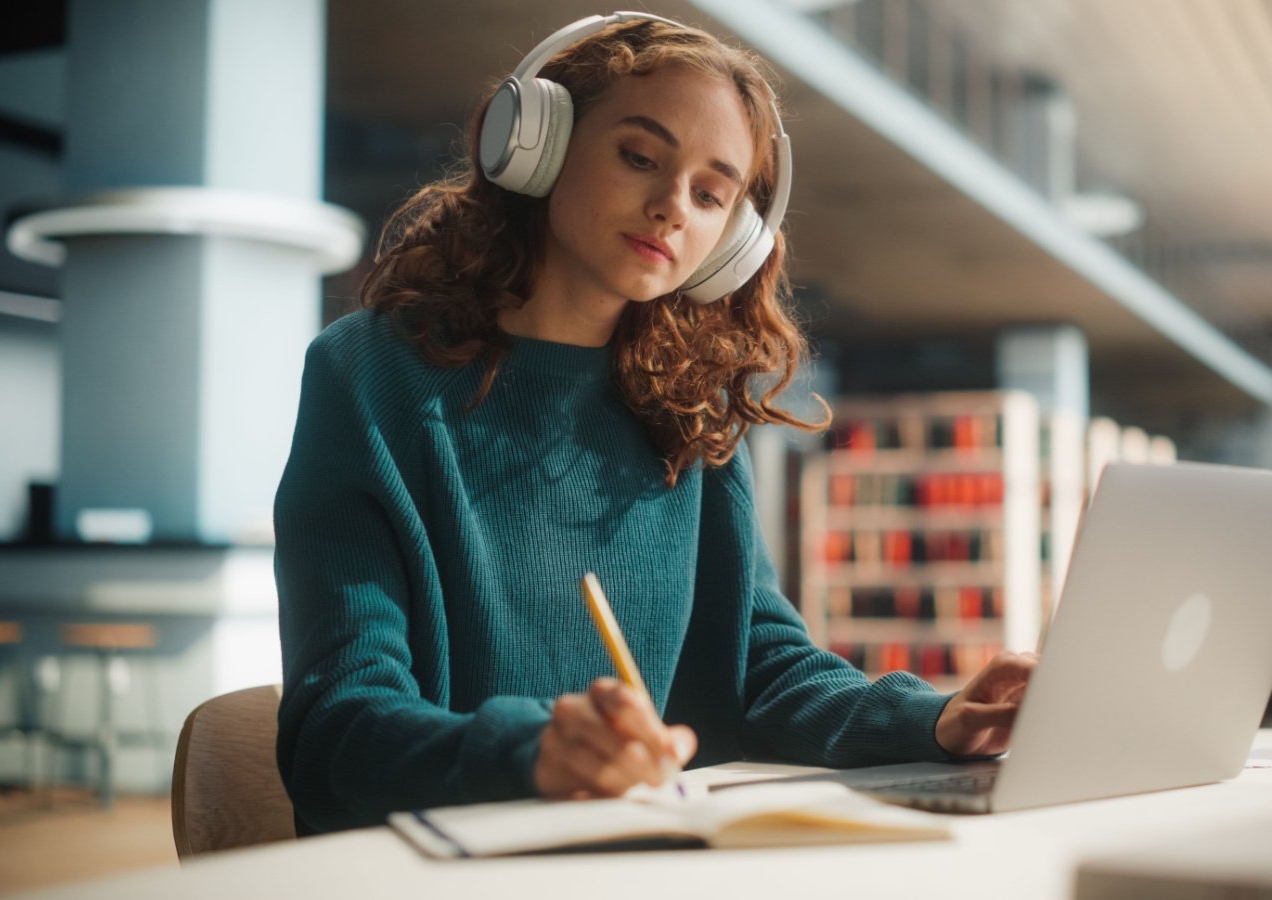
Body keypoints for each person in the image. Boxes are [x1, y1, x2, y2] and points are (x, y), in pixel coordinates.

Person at [274, 12, 1038, 836]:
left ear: (730, 241)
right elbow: (338, 724)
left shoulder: (690, 412)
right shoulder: (371, 377)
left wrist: (933, 719)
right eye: (640, 156)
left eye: (711, 194)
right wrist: (531, 755)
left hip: (645, 863)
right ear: (539, 144)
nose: (673, 207)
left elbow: (766, 671)